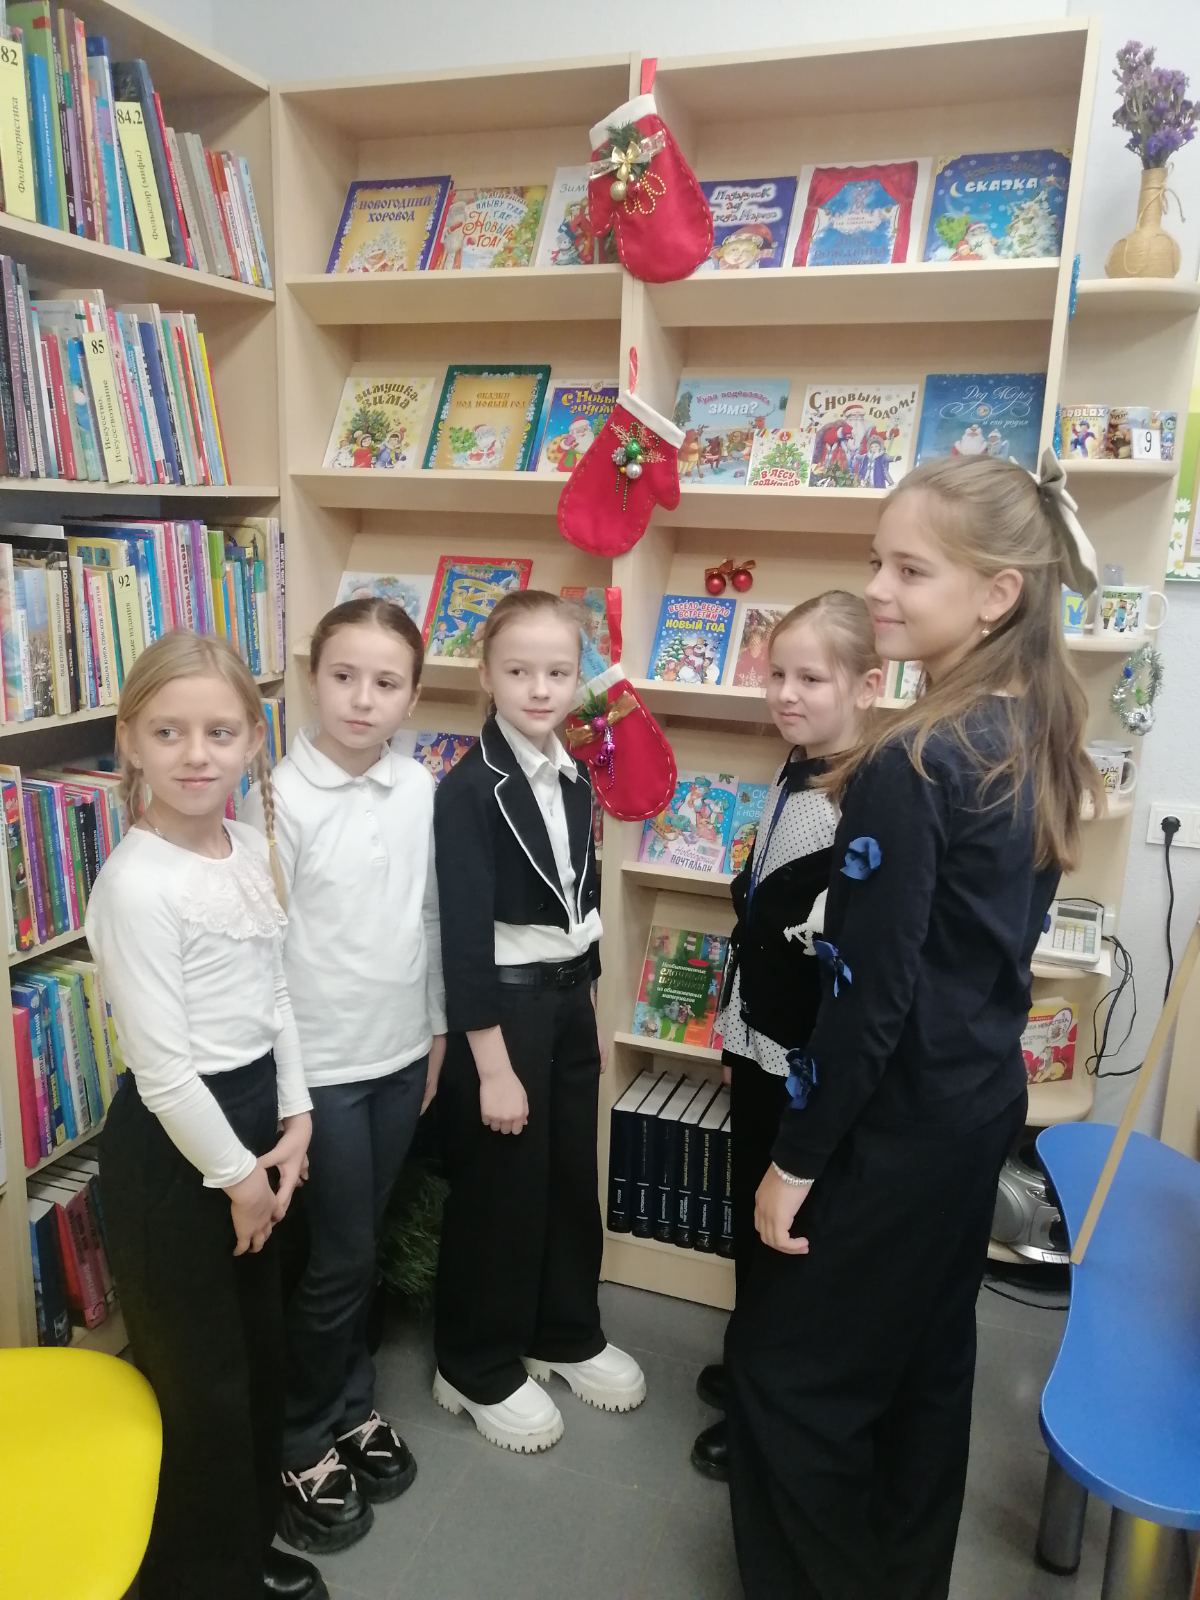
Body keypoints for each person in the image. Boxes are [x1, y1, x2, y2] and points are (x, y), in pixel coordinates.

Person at [725, 453, 1101, 1600]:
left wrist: (796, 1160)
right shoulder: (1031, 724)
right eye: (876, 561)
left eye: (910, 569)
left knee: (789, 1381)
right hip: (976, 1105)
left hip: (894, 1125)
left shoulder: (913, 756)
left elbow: (870, 994)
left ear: (997, 594)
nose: (878, 590)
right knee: (927, 1367)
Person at [84, 632, 325, 1600]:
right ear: (130, 741)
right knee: (201, 1384)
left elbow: (276, 995)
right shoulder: (136, 884)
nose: (196, 754)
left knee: (257, 1356)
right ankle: (200, 1577)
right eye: (168, 732)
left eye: (220, 732)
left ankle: (244, 1544)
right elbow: (164, 1071)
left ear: (253, 740)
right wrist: (241, 1181)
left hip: (254, 1120)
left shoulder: (248, 847)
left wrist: (296, 1117)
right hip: (178, 1145)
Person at [243, 598, 445, 1556]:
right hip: (324, 1069)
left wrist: (435, 1031)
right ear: (311, 679)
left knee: (365, 1247)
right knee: (337, 1257)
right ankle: (297, 1437)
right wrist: (294, 1094)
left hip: (401, 1053)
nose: (363, 699)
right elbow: (266, 957)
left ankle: (351, 1405)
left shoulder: (418, 786)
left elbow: (429, 916)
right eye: (343, 676)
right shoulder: (279, 800)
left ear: (414, 694)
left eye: (387, 682)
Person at [431, 589, 645, 1452]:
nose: (540, 688)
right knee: (501, 1188)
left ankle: (561, 1328)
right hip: (504, 1012)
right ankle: (474, 1360)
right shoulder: (467, 789)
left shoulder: (577, 772)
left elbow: (579, 907)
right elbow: (463, 941)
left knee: (566, 1174)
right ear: (486, 674)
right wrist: (491, 1065)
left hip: (566, 1002)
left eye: (558, 672)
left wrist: (588, 1007)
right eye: (519, 670)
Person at [690, 594, 882, 1485]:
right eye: (776, 675)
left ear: (867, 686)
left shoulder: (863, 791)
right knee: (748, 1207)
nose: (787, 694)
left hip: (803, 1055)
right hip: (758, 1033)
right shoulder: (799, 763)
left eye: (812, 678)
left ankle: (772, 1405)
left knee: (787, 1227)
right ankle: (753, 1359)